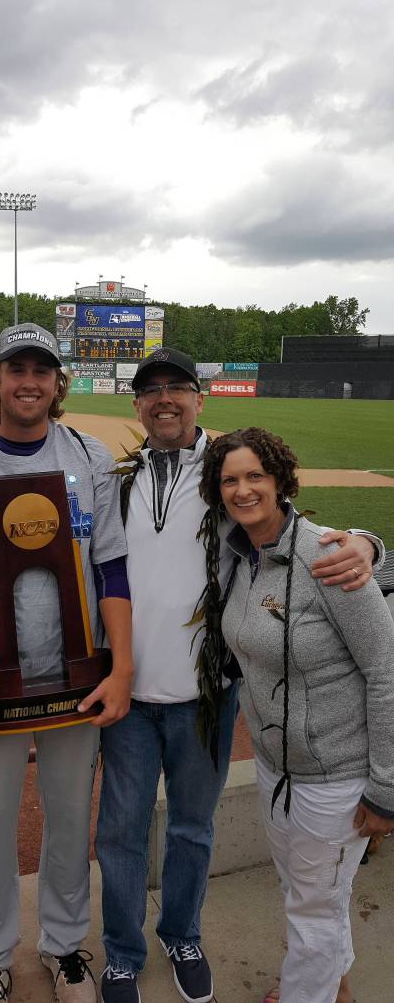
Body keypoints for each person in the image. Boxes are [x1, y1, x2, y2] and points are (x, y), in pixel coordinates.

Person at [95, 348, 384, 1003]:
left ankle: (182, 933)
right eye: (150, 390)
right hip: (128, 695)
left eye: (177, 387)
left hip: (206, 696)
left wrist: (367, 542)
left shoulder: (227, 472)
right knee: (120, 831)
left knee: (192, 828)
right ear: (136, 405)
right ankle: (121, 951)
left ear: (200, 399)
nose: (163, 398)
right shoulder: (115, 480)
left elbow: (292, 530)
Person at [0, 323, 132, 1003]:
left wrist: (122, 667)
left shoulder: (91, 455)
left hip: (77, 678)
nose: (28, 381)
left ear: (58, 382)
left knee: (70, 815)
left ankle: (63, 945)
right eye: (15, 369)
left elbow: (111, 568)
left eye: (41, 370)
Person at [198, 426, 394, 1003]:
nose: (242, 489)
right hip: (277, 765)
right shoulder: (239, 553)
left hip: (337, 774)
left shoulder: (329, 558)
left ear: (280, 480)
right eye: (230, 479)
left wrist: (385, 788)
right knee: (311, 894)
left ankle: (306, 993)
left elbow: (386, 672)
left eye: (255, 475)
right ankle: (336, 990)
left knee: (312, 907)